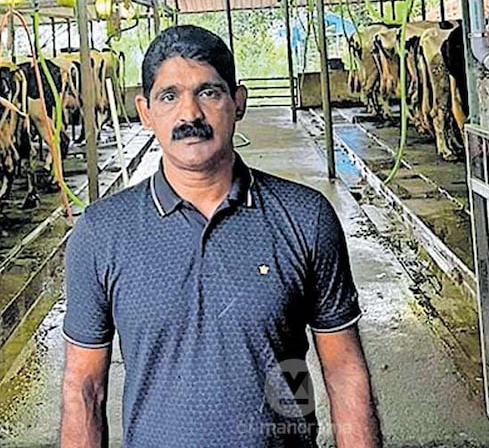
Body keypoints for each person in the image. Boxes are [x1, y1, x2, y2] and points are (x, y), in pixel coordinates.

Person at [59, 25, 381, 447]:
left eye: (208, 92)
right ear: (145, 110)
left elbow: (342, 369)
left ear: (238, 102)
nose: (189, 115)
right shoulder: (102, 232)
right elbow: (84, 388)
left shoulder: (305, 217)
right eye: (169, 96)